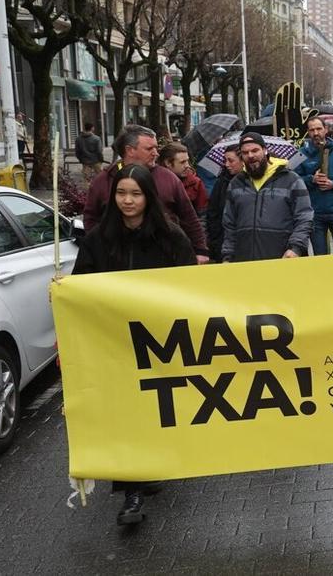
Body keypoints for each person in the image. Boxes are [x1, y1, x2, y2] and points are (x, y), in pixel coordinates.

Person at [71, 164, 196, 526]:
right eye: (121, 193)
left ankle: (152, 464)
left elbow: (189, 287)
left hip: (159, 341)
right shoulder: (98, 239)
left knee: (157, 405)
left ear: (148, 197)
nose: (127, 200)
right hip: (115, 342)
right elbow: (83, 284)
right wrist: (63, 293)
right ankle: (131, 491)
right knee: (124, 412)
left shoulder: (170, 237)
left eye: (136, 194)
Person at [84, 124, 209, 263]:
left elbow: (188, 216)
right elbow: (91, 218)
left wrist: (200, 250)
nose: (156, 153)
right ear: (130, 150)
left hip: (164, 260)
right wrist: (99, 250)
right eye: (150, 148)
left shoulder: (168, 178)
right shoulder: (103, 181)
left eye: (156, 147)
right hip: (117, 263)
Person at [222, 131, 313, 262]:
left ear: (265, 150)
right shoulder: (235, 184)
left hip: (282, 259)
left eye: (255, 150)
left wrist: (296, 248)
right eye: (245, 153)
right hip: (244, 261)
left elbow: (305, 217)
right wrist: (227, 255)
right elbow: (229, 225)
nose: (251, 155)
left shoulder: (291, 180)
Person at [297, 116, 333, 255]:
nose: (316, 133)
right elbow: (295, 181)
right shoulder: (300, 153)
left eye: (319, 129)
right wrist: (312, 179)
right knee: (320, 254)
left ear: (326, 129)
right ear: (308, 132)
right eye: (312, 130)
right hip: (315, 212)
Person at [206, 145, 243, 263]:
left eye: (231, 160)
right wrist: (216, 242)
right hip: (223, 242)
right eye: (225, 160)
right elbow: (213, 212)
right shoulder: (221, 183)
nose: (227, 164)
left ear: (243, 161)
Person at [159, 142, 208, 214]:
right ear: (168, 163)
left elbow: (203, 213)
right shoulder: (156, 182)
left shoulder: (196, 183)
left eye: (187, 161)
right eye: (182, 162)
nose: (187, 165)